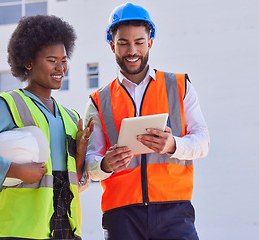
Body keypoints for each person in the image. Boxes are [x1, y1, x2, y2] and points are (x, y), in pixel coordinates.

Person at [84, 2, 210, 240]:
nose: (132, 50)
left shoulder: (179, 86)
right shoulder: (99, 100)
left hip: (174, 211)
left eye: (139, 42)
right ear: (112, 46)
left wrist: (173, 145)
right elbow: (91, 163)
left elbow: (203, 142)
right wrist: (105, 165)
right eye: (123, 43)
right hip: (121, 216)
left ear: (149, 42)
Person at [0, 15, 93, 240]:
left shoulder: (71, 117)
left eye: (64, 60)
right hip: (19, 229)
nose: (60, 67)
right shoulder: (8, 104)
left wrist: (81, 153)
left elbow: (72, 179)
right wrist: (15, 170)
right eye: (51, 59)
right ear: (28, 62)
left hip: (66, 228)